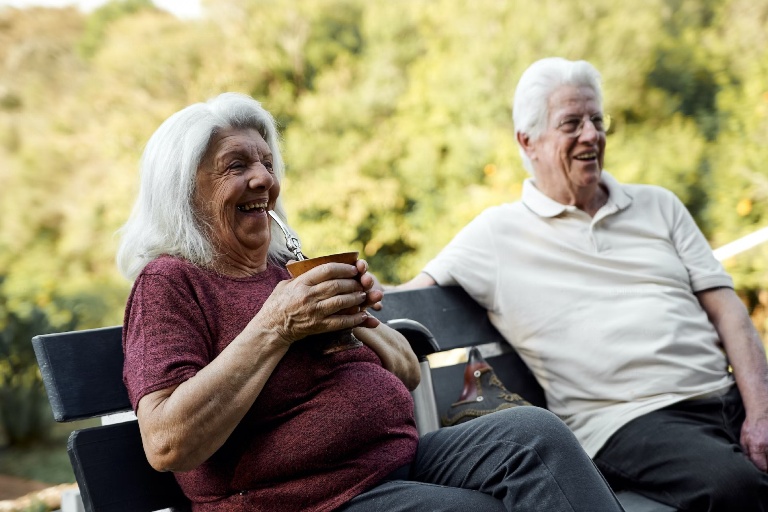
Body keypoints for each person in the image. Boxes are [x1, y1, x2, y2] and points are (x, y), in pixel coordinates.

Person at [116, 92, 624, 512]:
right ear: (185, 190)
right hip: (305, 500)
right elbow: (166, 443)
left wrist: (354, 312)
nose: (264, 180)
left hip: (393, 461)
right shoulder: (169, 283)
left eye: (268, 163)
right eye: (237, 166)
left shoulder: (284, 273)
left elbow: (407, 370)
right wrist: (276, 325)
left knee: (534, 436)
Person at [390, 57, 768, 511]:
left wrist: (760, 409)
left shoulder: (659, 206)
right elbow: (403, 301)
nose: (591, 134)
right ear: (527, 142)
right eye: (571, 123)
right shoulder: (495, 235)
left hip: (723, 397)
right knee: (737, 488)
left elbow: (727, 308)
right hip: (626, 421)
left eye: (596, 119)